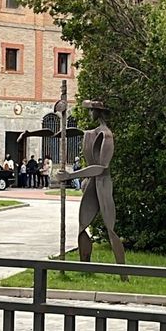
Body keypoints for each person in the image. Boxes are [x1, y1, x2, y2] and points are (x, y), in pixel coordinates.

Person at [54, 100, 127, 278]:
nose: (89, 114)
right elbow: (74, 133)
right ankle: (85, 270)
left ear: (98, 112)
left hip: (103, 184)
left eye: (91, 111)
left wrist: (70, 176)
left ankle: (124, 274)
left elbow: (102, 168)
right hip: (93, 184)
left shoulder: (106, 136)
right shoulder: (92, 133)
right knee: (82, 226)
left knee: (110, 228)